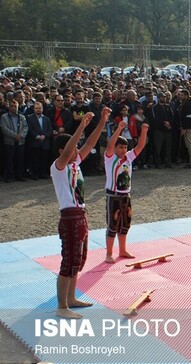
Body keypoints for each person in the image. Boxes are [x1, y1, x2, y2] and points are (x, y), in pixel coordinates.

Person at [51, 107, 110, 319]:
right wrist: (81, 126)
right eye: (73, 148)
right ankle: (61, 306)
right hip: (69, 217)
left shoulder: (75, 164)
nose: (78, 151)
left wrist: (102, 121)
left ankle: (71, 298)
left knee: (79, 259)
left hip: (80, 215)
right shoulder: (58, 167)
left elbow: (90, 144)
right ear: (62, 150)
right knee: (68, 261)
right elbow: (71, 148)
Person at [103, 120, 149, 263]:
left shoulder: (128, 157)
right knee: (113, 225)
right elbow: (110, 145)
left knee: (125, 224)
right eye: (120, 147)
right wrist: (119, 129)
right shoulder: (110, 159)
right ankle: (109, 253)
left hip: (126, 196)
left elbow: (140, 146)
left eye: (125, 148)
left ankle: (122, 250)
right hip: (113, 196)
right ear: (115, 148)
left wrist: (144, 131)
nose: (123, 150)